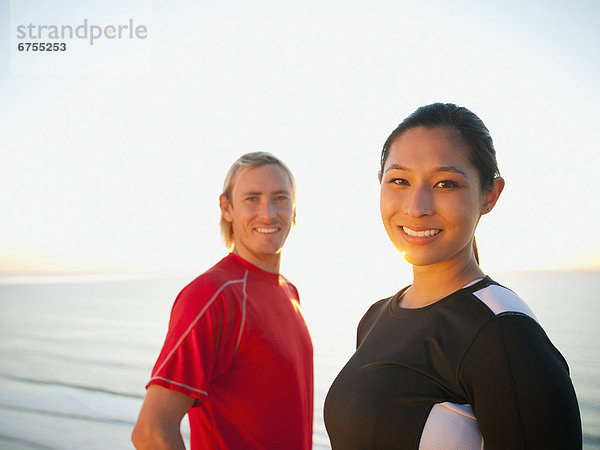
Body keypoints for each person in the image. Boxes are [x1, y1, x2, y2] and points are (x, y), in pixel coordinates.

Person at [323, 103, 582, 449]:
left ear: (490, 194)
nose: (417, 207)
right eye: (399, 180)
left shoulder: (504, 333)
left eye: (446, 183)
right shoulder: (375, 316)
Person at [132, 152, 313, 449]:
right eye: (252, 199)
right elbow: (151, 431)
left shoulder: (289, 291)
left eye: (280, 198)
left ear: (294, 210)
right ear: (227, 208)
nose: (268, 213)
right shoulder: (212, 295)